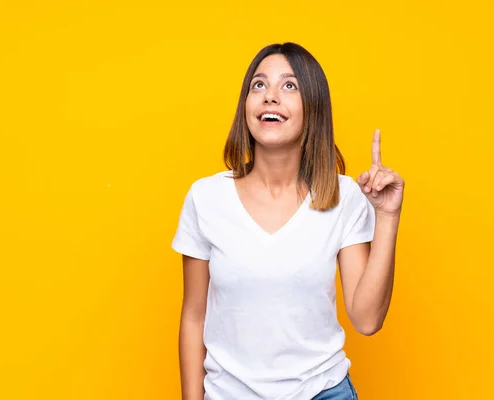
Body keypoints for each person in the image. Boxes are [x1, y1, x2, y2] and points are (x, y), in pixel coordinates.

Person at [172, 42, 405, 400]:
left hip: (323, 392)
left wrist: (386, 217)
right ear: (245, 106)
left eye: (289, 86)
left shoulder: (343, 197)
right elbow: (193, 316)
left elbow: (367, 320)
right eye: (259, 85)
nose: (270, 97)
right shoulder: (206, 199)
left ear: (313, 108)